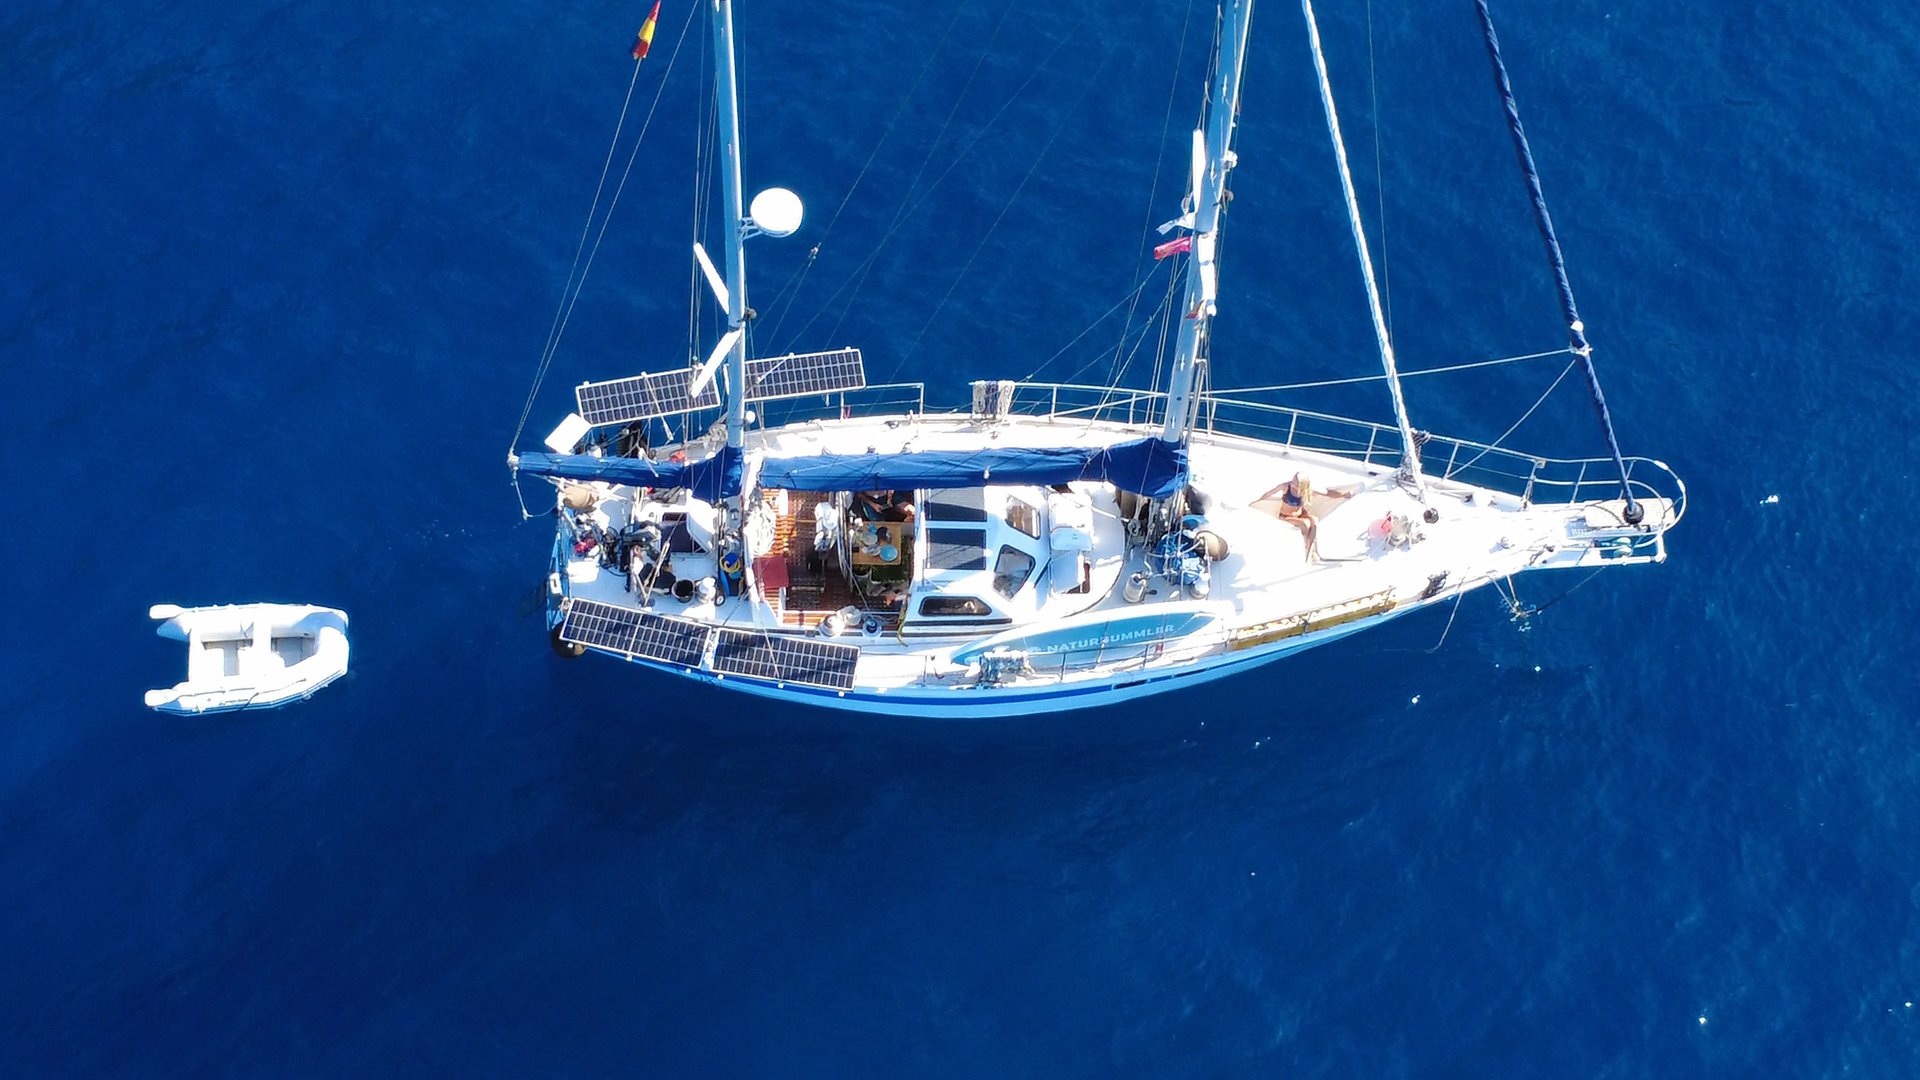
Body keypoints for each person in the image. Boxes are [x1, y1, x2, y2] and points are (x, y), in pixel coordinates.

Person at [1253, 472, 1351, 562]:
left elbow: (1327, 493)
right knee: (1305, 523)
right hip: (1286, 516)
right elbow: (1270, 493)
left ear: (1302, 485)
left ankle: (1310, 551)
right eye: (1293, 480)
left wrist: (1343, 495)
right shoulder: (1286, 487)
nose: (1292, 483)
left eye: (1295, 482)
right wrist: (1258, 501)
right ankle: (1306, 550)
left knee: (1315, 520)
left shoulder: (1307, 490)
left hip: (1301, 514)